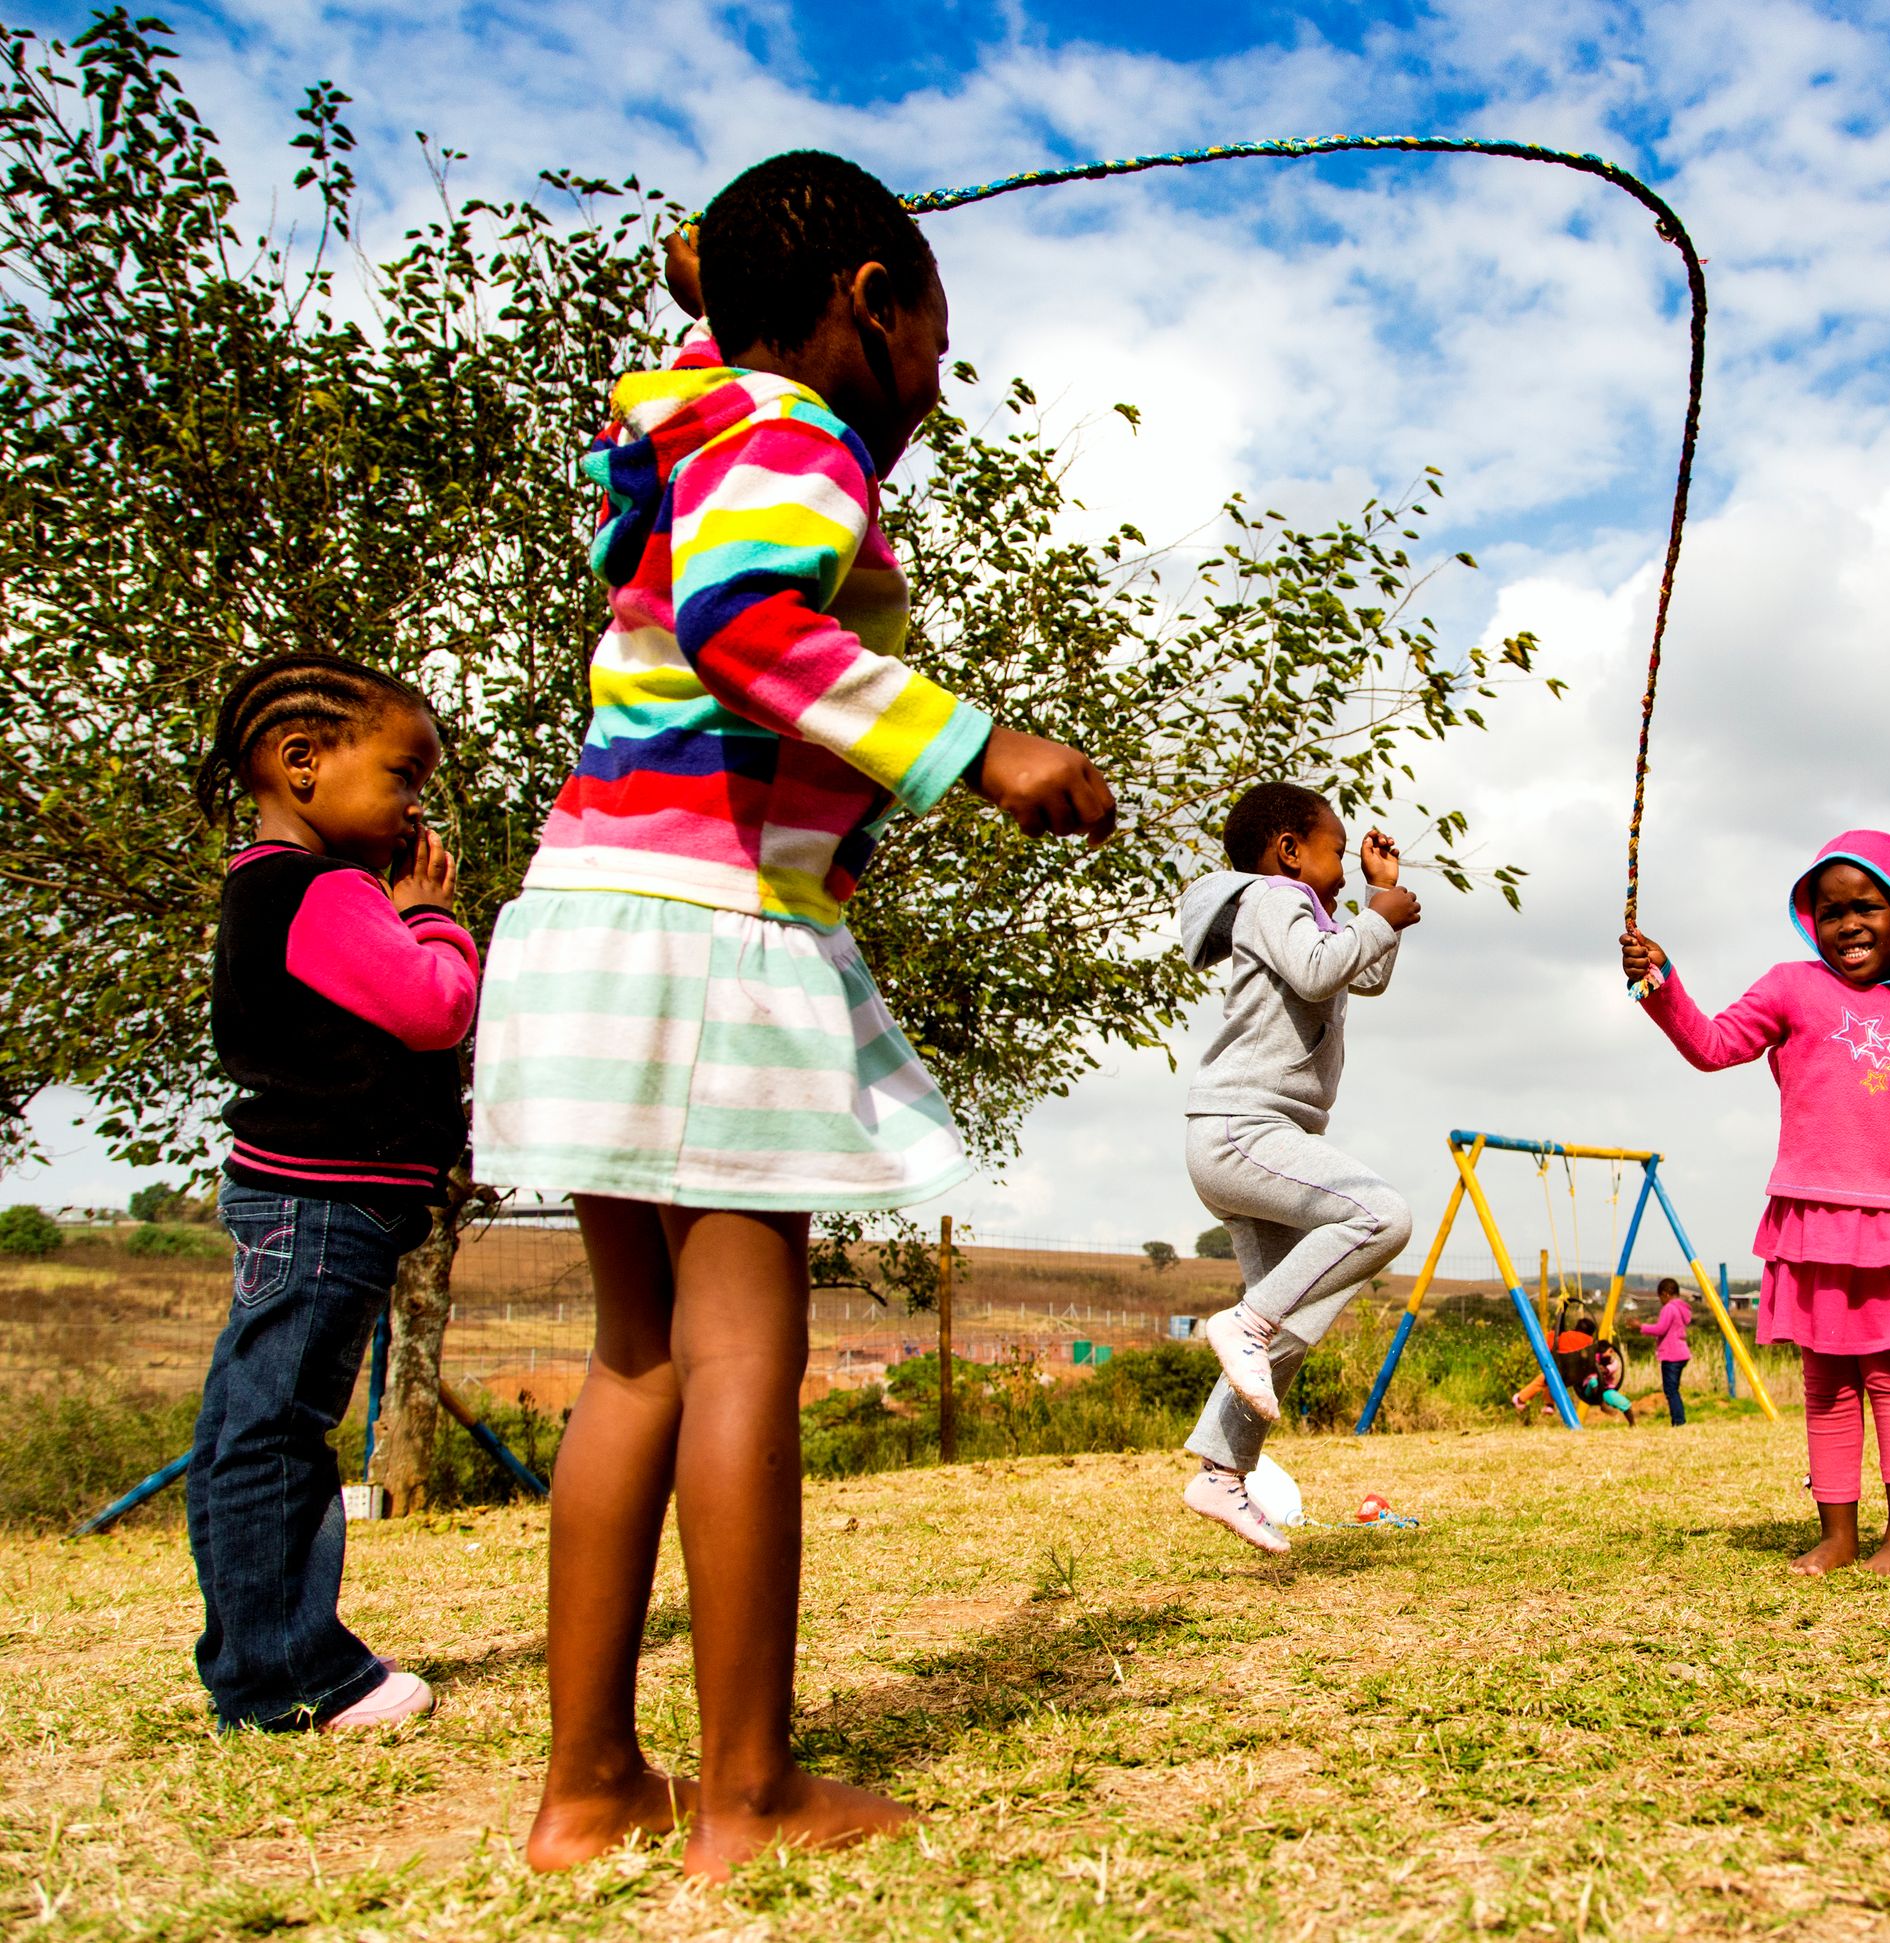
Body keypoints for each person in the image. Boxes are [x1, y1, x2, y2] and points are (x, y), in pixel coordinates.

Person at [470, 152, 1115, 1878]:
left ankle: (590, 1783)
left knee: (638, 1355)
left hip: (591, 915)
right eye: (931, 350)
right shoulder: (792, 439)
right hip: (706, 932)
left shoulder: (689, 427)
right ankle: (747, 1793)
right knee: (745, 1345)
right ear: (870, 307)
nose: (929, 393)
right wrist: (984, 748)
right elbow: (746, 624)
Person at [1621, 831, 1890, 1576]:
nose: (1848, 923)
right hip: (1814, 1218)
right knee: (1825, 1382)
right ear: (1810, 921)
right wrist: (1659, 982)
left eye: (1867, 907)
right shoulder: (1791, 987)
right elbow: (1714, 1043)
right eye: (1830, 911)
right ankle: (1837, 1535)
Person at [188, 653, 480, 1732]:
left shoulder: (262, 885)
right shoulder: (323, 891)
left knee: (245, 1429)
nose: (416, 804)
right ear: (302, 762)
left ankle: (251, 1658)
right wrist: (431, 913)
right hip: (325, 1203)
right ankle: (291, 1672)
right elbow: (431, 1007)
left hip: (290, 1199)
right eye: (404, 775)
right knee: (279, 1431)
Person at [1176, 783, 1420, 1551]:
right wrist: (1376, 915)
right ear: (1289, 850)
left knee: (1299, 1315)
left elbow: (1363, 973)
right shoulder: (1271, 899)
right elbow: (1322, 970)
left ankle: (1220, 1470)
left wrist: (1380, 900)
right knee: (1382, 1215)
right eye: (1338, 851)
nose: (1345, 868)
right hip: (1243, 1129)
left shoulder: (1304, 913)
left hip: (1258, 1139)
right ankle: (1243, 1322)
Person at [1639, 1277, 1694, 1426]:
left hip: (1672, 1355)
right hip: (1682, 1353)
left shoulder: (1669, 1308)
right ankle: (1678, 1420)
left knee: (1671, 1390)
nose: (1661, 1301)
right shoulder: (1682, 1308)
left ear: (1666, 1294)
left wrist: (1641, 1327)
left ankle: (1678, 1421)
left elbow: (1660, 1329)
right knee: (1673, 1389)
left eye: (1660, 1298)